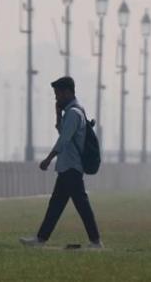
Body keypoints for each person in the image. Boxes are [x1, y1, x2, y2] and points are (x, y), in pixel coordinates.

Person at [20, 76, 102, 248]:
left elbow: (63, 140)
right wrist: (58, 115)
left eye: (58, 94)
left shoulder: (74, 113)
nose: (56, 98)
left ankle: (95, 241)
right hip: (66, 167)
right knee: (56, 205)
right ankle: (41, 239)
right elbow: (64, 133)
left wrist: (48, 159)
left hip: (72, 167)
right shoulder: (71, 113)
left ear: (68, 92)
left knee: (81, 205)